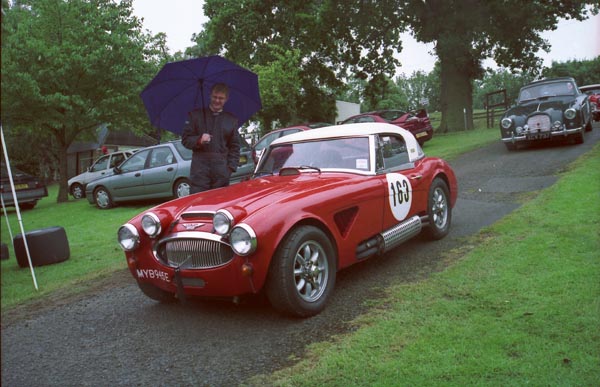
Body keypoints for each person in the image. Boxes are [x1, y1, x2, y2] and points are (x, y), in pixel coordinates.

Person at [182, 83, 241, 194]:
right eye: (215, 97)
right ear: (210, 96)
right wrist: (199, 140)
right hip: (199, 172)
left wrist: (229, 169)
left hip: (221, 174)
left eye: (221, 98)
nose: (217, 101)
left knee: (219, 206)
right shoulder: (195, 116)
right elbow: (185, 140)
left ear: (226, 99)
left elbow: (235, 147)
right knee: (199, 206)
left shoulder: (231, 120)